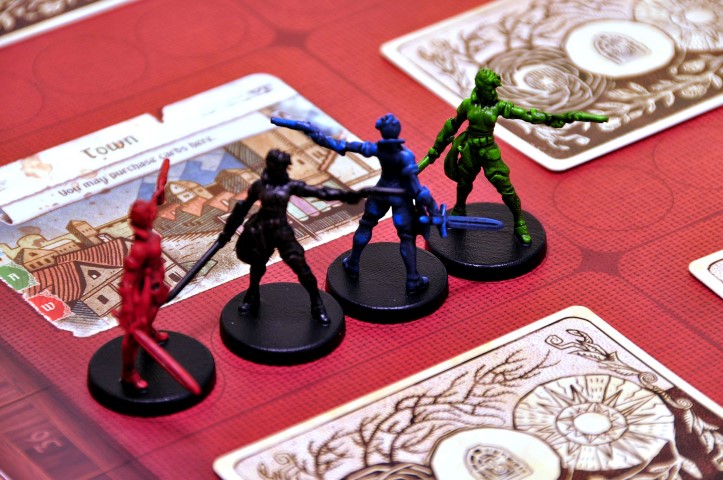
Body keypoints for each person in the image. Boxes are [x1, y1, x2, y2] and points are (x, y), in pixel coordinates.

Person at [219, 149, 363, 324]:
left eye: (284, 167)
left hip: (281, 230)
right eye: (280, 167)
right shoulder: (260, 186)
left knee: (301, 268)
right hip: (261, 230)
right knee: (257, 266)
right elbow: (242, 208)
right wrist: (226, 233)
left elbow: (320, 192)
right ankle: (252, 295)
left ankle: (317, 304)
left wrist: (346, 195)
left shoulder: (289, 185)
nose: (283, 170)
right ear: (271, 166)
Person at [307, 114, 438, 294]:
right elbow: (415, 187)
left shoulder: (379, 149)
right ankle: (413, 280)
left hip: (381, 192)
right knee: (406, 237)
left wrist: (318, 137)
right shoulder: (405, 155)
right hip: (400, 197)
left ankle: (353, 262)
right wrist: (431, 205)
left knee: (366, 224)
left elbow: (343, 146)